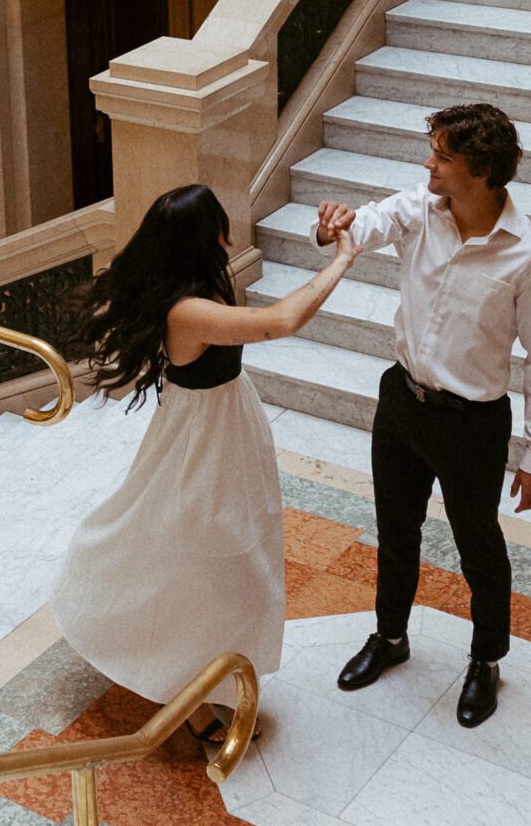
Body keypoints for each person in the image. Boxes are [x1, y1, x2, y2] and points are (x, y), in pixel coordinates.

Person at [50, 183, 362, 752]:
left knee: (228, 551)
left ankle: (204, 665)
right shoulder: (187, 310)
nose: (229, 233)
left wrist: (322, 239)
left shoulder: (201, 282)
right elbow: (283, 321)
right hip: (201, 438)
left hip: (225, 420)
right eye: (219, 224)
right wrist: (343, 257)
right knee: (196, 556)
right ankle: (184, 691)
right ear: (202, 238)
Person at [313, 102, 531, 730]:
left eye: (442, 156)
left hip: (472, 425)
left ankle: (486, 661)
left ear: (480, 173)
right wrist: (335, 224)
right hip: (402, 402)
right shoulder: (419, 210)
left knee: (478, 546)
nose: (428, 163)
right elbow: (365, 224)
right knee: (394, 532)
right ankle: (390, 637)